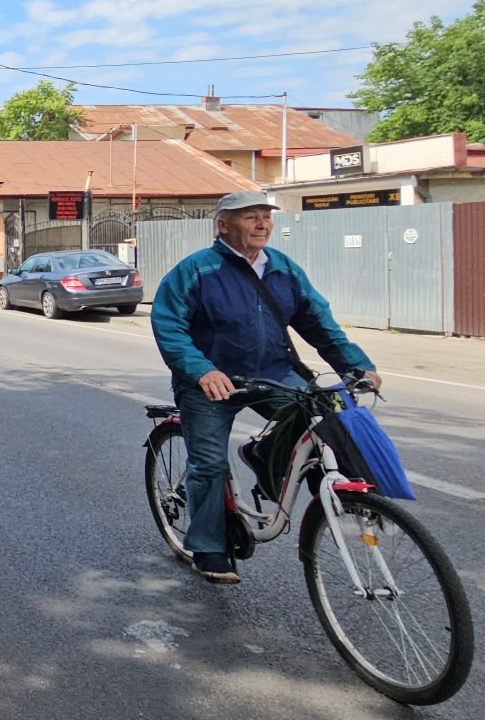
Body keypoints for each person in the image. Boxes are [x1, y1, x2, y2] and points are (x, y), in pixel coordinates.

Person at [149, 190, 381, 585]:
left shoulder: (283, 268)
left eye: (266, 217)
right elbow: (169, 324)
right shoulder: (197, 270)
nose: (261, 223)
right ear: (223, 225)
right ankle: (208, 546)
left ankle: (271, 459)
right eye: (250, 217)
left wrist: (356, 365)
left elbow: (318, 322)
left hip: (273, 372)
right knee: (208, 463)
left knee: (326, 420)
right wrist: (201, 370)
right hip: (213, 382)